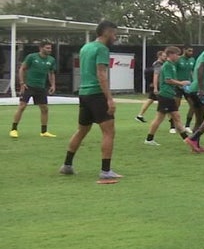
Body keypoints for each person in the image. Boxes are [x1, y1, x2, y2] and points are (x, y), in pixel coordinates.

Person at [59, 21, 123, 180]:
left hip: (84, 93)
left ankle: (67, 165)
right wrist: (109, 99)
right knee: (109, 132)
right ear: (106, 33)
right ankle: (106, 170)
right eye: (114, 34)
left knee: (82, 130)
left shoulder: (86, 47)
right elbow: (101, 74)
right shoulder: (102, 49)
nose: (115, 37)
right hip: (96, 94)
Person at [144, 47, 191, 147]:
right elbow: (168, 80)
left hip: (169, 95)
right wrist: (181, 83)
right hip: (165, 95)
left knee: (176, 117)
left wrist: (180, 85)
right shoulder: (168, 66)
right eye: (177, 54)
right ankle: (149, 139)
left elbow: (171, 80)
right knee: (161, 118)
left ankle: (186, 139)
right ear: (171, 55)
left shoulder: (172, 65)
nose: (178, 57)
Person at [10, 41, 57, 138]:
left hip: (41, 88)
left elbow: (51, 73)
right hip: (29, 86)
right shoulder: (32, 57)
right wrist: (22, 83)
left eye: (50, 48)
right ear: (41, 48)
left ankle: (44, 132)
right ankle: (14, 129)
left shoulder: (51, 60)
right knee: (22, 106)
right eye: (47, 48)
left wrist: (53, 85)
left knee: (44, 109)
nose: (50, 50)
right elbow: (22, 69)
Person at [136, 51, 166, 123]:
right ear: (159, 56)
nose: (165, 57)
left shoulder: (158, 64)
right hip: (157, 85)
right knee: (163, 102)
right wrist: (155, 87)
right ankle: (171, 120)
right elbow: (156, 75)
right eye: (164, 56)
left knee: (150, 100)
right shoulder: (158, 64)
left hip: (156, 85)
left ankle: (140, 115)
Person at [176, 45, 197, 131]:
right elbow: (174, 72)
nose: (191, 53)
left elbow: (193, 72)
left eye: (192, 51)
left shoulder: (192, 60)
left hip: (188, 86)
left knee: (193, 105)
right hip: (177, 86)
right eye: (189, 51)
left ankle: (187, 125)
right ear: (184, 50)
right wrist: (177, 83)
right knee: (176, 106)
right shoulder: (178, 59)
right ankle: (173, 126)